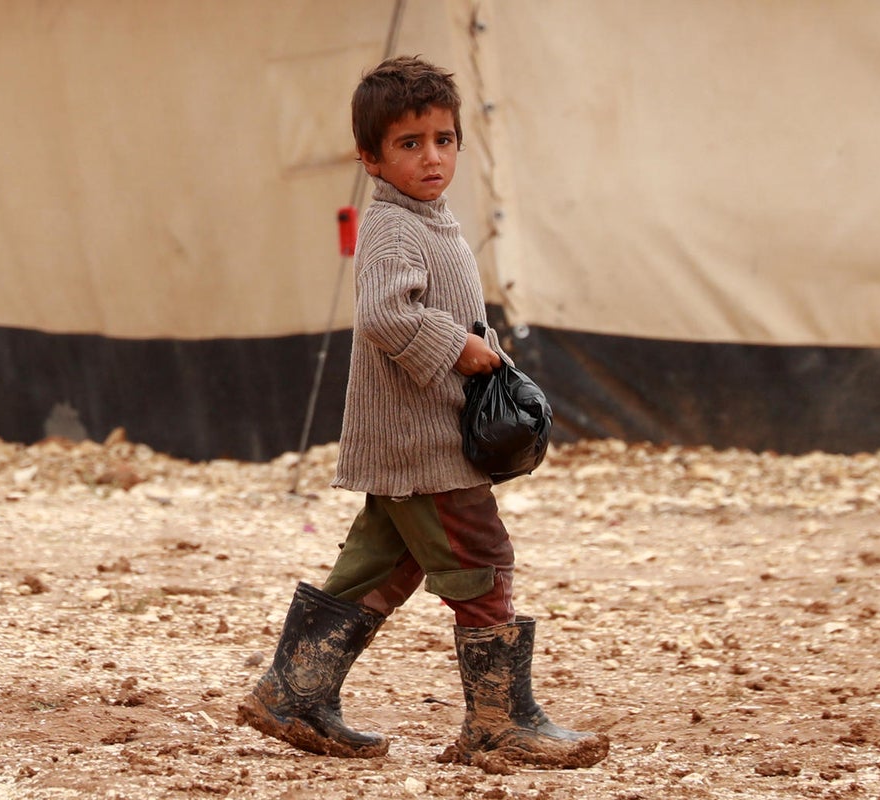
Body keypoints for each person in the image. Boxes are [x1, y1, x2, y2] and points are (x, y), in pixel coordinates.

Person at [236, 56, 609, 772]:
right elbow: (384, 314)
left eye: (443, 139)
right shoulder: (392, 228)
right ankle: (500, 722)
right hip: (423, 443)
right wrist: (459, 347)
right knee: (480, 560)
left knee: (381, 564)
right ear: (370, 157)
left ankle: (293, 692)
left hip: (411, 444)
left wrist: (486, 354)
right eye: (409, 143)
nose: (431, 157)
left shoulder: (432, 221)